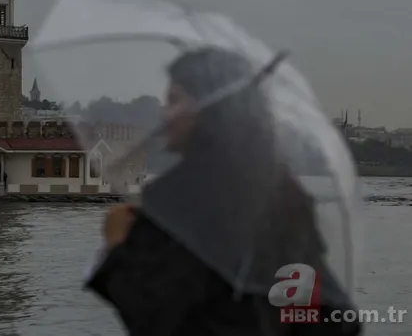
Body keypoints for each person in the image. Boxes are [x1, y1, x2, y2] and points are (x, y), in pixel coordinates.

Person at [86, 47, 360, 336]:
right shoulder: (283, 194)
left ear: (207, 109)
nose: (164, 113)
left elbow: (153, 318)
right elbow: (331, 317)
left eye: (174, 99)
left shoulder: (176, 200)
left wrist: (115, 247)